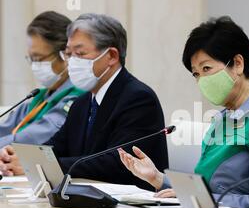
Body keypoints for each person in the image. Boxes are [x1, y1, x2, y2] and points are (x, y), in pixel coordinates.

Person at [118, 16, 249, 208]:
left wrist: (206, 199)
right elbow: (207, 191)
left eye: (206, 69)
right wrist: (157, 178)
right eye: (196, 74)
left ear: (237, 64)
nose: (201, 80)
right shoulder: (224, 118)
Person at [1, 13, 168, 190]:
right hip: (87, 201)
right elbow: (55, 148)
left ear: (111, 55)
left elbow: (116, 163)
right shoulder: (82, 103)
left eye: (80, 54)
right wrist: (18, 158)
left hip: (132, 206)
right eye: (68, 54)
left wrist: (40, 164)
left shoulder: (139, 98)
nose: (71, 62)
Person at [0, 11, 85, 176]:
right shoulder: (40, 97)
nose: (34, 66)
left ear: (64, 55)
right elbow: (7, 128)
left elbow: (30, 139)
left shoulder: (78, 97)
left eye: (39, 59)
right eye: (31, 59)